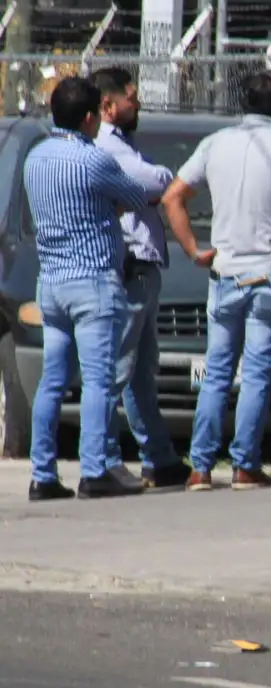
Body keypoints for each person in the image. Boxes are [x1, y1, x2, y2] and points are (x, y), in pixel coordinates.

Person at [161, 70, 271, 492]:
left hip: (224, 272)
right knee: (256, 372)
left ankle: (199, 467)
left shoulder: (216, 142)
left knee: (216, 372)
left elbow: (172, 196)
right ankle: (245, 464)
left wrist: (195, 249)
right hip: (270, 271)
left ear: (244, 105)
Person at [24, 76, 149, 502]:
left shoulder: (35, 157)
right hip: (92, 280)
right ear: (91, 117)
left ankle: (42, 474)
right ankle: (94, 469)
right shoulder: (93, 160)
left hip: (51, 281)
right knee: (98, 380)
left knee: (52, 381)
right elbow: (135, 197)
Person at [91, 67, 192, 490]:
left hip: (144, 268)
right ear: (108, 105)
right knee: (117, 368)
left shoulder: (124, 143)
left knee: (139, 372)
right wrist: (170, 182)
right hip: (130, 266)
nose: (139, 104)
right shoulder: (106, 146)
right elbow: (149, 180)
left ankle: (159, 458)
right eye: (132, 97)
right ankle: (104, 460)